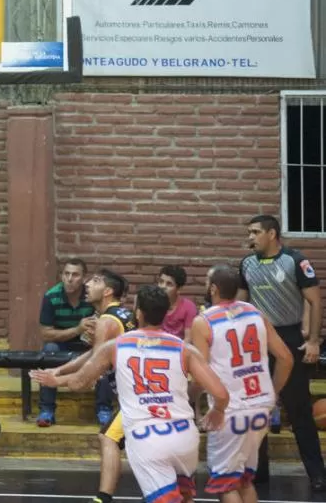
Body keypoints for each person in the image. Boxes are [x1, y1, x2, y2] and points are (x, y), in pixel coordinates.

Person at [32, 285, 231, 503]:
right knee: (184, 497)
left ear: (139, 313)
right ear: (165, 314)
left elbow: (80, 382)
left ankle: (104, 496)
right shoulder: (184, 348)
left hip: (146, 438)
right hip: (184, 435)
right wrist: (218, 411)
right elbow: (221, 393)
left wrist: (56, 380)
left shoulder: (115, 346)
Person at [190, 264, 294, 503]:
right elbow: (286, 358)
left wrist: (190, 397)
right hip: (261, 406)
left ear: (213, 289)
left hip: (229, 409)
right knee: (244, 480)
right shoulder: (255, 312)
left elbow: (200, 374)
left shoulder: (203, 321)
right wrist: (273, 393)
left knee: (225, 485)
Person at [238, 214, 325, 490]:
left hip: (289, 337)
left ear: (272, 234)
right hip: (257, 341)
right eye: (249, 233)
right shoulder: (246, 263)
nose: (250, 238)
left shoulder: (295, 261)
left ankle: (317, 474)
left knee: (299, 409)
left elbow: (315, 300)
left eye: (255, 232)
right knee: (258, 407)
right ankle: (259, 471)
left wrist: (314, 341)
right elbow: (239, 305)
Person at [37, 269, 135, 503]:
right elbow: (94, 354)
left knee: (108, 438)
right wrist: (59, 370)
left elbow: (90, 373)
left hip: (136, 397)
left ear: (108, 291)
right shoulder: (122, 314)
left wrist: (57, 381)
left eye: (96, 281)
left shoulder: (106, 322)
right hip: (139, 394)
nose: (88, 284)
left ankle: (103, 497)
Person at [37, 258, 100, 426]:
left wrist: (94, 334)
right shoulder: (51, 296)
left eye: (75, 275)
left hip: (87, 342)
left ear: (84, 278)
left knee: (104, 351)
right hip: (60, 342)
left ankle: (103, 410)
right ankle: (47, 410)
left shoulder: (91, 296)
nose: (70, 279)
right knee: (49, 349)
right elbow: (46, 334)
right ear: (62, 276)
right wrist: (77, 329)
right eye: (66, 274)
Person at [158, 265, 197, 340]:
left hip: (180, 346)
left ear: (179, 289)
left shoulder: (189, 307)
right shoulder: (153, 304)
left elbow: (188, 339)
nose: (163, 287)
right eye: (161, 282)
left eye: (169, 284)